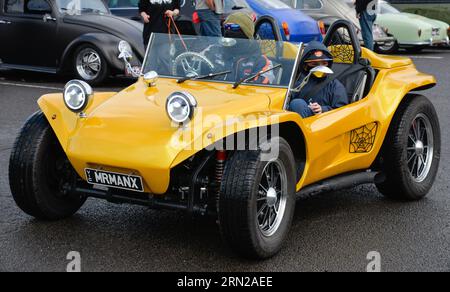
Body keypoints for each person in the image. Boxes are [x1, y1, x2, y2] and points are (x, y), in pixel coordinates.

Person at [289, 41, 348, 118]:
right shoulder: (298, 82)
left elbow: (342, 110)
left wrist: (322, 109)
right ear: (305, 65)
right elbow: (286, 102)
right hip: (298, 122)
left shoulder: (335, 85)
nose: (320, 67)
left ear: (328, 64)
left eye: (324, 63)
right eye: (314, 64)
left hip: (323, 123)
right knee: (297, 104)